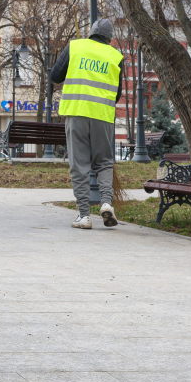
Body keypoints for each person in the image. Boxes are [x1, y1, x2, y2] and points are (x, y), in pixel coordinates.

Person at [50, 18, 123, 229]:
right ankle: (107, 203)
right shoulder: (115, 56)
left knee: (79, 164)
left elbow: (55, 76)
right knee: (104, 163)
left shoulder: (75, 46)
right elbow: (116, 94)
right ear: (109, 38)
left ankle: (84, 215)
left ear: (90, 33)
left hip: (77, 113)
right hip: (102, 116)